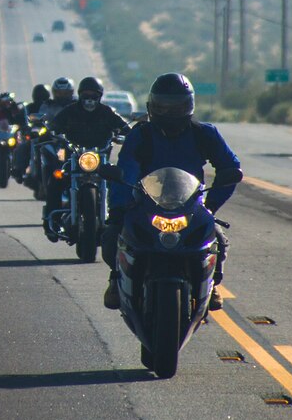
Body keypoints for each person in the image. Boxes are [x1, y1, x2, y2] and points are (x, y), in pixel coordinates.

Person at [101, 73, 242, 311]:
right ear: (151, 106)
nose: (170, 112)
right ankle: (116, 279)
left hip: (191, 203)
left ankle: (213, 284)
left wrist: (211, 206)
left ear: (189, 106)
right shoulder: (141, 134)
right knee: (113, 233)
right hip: (147, 203)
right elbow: (126, 170)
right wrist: (118, 208)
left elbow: (230, 167)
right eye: (163, 106)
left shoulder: (204, 133)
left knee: (216, 238)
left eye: (177, 106)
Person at [41, 76, 129, 239]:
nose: (89, 99)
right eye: (86, 95)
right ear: (80, 95)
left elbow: (124, 127)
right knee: (56, 178)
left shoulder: (106, 112)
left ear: (100, 96)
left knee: (122, 182)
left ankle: (123, 222)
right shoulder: (70, 110)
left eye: (93, 95)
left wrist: (129, 134)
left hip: (101, 161)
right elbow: (53, 126)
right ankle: (50, 222)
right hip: (74, 159)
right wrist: (49, 133)